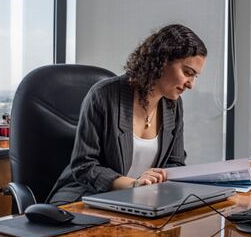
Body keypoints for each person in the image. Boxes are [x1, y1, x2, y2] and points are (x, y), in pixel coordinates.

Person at [48, 24, 207, 204]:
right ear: (162, 60)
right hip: (84, 199)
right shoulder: (104, 95)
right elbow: (84, 166)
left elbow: (175, 164)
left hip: (136, 201)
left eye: (195, 76)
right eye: (187, 72)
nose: (191, 84)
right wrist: (134, 185)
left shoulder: (173, 106)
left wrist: (155, 182)